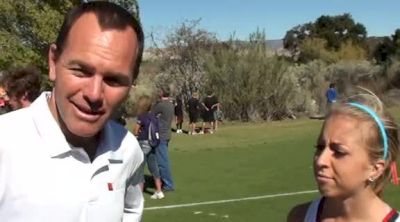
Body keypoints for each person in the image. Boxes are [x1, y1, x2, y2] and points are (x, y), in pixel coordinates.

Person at [0, 2, 145, 222]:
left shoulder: (127, 149)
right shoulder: (5, 143)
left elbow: (131, 212)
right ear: (53, 62)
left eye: (114, 80)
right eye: (81, 71)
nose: (94, 94)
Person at [287, 91, 400, 222]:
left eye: (339, 152)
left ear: (375, 169)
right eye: (320, 147)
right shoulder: (300, 216)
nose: (321, 161)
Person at [133, 95, 164, 199]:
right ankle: (159, 191)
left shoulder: (142, 116)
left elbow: (135, 130)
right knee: (153, 167)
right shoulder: (153, 116)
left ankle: (139, 195)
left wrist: (137, 135)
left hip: (143, 143)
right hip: (153, 144)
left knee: (140, 169)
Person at [153, 87, 175, 191]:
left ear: (162, 93)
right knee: (161, 159)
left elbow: (151, 114)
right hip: (166, 134)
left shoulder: (161, 105)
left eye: (159, 91)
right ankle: (164, 181)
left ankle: (168, 184)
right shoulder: (170, 104)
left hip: (160, 135)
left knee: (162, 161)